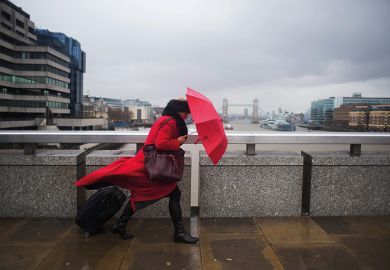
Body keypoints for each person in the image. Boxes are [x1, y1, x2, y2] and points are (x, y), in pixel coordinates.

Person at [75, 98, 198, 244]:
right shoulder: (171, 122)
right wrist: (177, 142)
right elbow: (161, 143)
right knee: (173, 193)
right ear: (178, 110)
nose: (187, 116)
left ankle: (120, 225)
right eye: (186, 112)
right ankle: (179, 233)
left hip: (145, 163)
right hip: (151, 167)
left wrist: (178, 139)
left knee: (141, 194)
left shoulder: (164, 119)